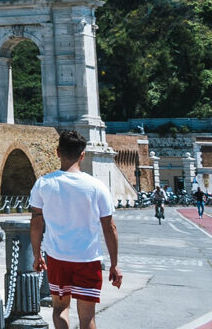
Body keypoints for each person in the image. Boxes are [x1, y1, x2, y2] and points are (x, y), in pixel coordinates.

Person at [31, 129, 122, 329]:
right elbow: (109, 227)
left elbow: (36, 222)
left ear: (57, 152)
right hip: (88, 258)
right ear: (83, 155)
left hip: (57, 257)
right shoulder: (97, 186)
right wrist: (115, 264)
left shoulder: (43, 184)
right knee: (87, 316)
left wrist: (37, 255)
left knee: (60, 308)